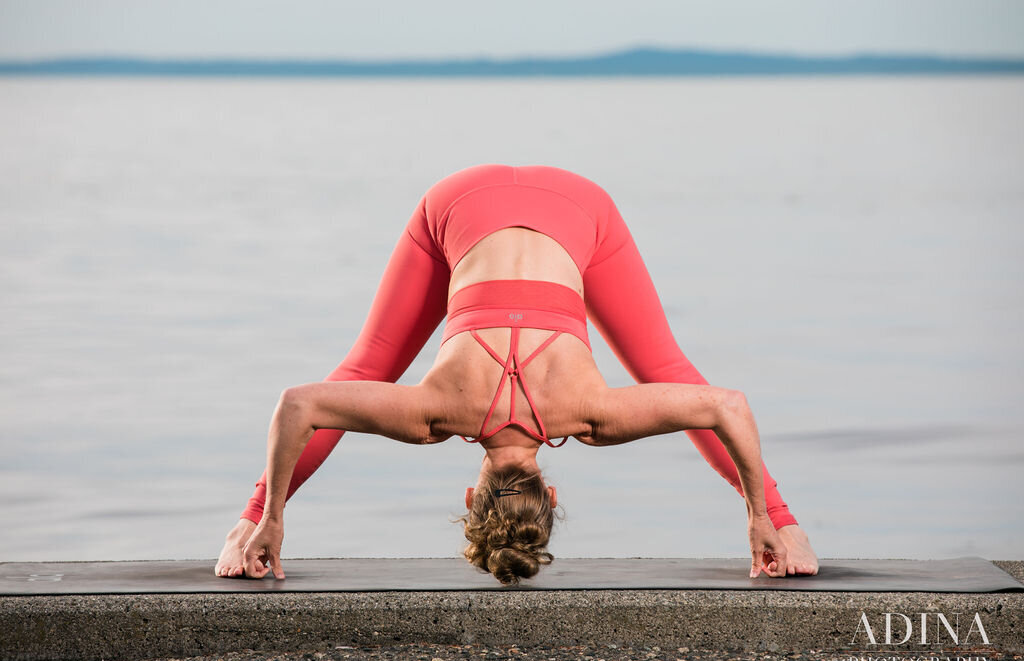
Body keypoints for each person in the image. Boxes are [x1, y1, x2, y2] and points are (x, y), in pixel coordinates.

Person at [215, 164, 820, 584]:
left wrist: (762, 520)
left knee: (668, 372)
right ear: (472, 496)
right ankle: (237, 534)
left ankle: (794, 533)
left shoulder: (591, 415)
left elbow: (726, 406)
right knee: (364, 370)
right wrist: (268, 521)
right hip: (461, 202)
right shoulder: (433, 415)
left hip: (579, 208)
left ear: (551, 495)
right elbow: (300, 405)